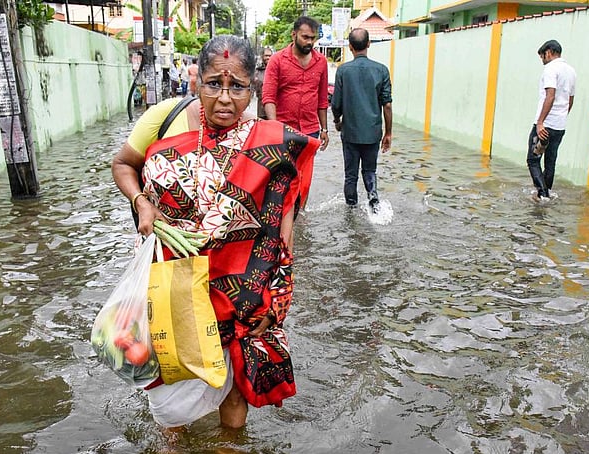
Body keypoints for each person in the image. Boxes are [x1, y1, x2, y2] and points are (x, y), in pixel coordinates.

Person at [112, 35, 320, 429]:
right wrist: (143, 203)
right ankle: (172, 445)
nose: (225, 99)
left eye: (237, 87)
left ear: (252, 87)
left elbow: (282, 229)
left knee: (236, 378)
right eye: (213, 84)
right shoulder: (164, 118)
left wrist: (276, 297)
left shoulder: (271, 143)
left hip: (241, 287)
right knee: (170, 367)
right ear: (196, 83)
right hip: (174, 276)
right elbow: (123, 164)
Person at [331, 28, 392, 211]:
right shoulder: (382, 70)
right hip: (373, 133)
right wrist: (388, 133)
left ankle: (350, 211)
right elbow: (387, 105)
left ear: (350, 47)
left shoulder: (343, 71)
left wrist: (337, 121)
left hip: (350, 132)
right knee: (370, 170)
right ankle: (373, 200)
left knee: (350, 176)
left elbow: (335, 104)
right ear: (368, 44)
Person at [262, 16, 330, 151]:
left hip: (310, 130)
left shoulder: (321, 62)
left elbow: (322, 99)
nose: (309, 42)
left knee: (305, 170)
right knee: (284, 170)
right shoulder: (277, 60)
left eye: (313, 38)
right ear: (294, 35)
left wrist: (324, 129)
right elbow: (268, 97)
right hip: (284, 129)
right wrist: (275, 127)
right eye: (305, 37)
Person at [527, 39, 576, 199]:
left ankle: (542, 194)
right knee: (550, 161)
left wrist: (541, 122)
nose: (542, 60)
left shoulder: (550, 69)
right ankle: (546, 193)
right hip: (559, 126)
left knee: (533, 160)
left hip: (545, 126)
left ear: (548, 52)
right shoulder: (571, 71)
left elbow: (550, 95)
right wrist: (561, 117)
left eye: (542, 57)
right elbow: (570, 100)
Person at [252, 46, 274, 120]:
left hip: (274, 107)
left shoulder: (276, 70)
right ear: (262, 56)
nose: (268, 57)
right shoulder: (257, 71)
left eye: (270, 56)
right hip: (261, 107)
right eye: (266, 55)